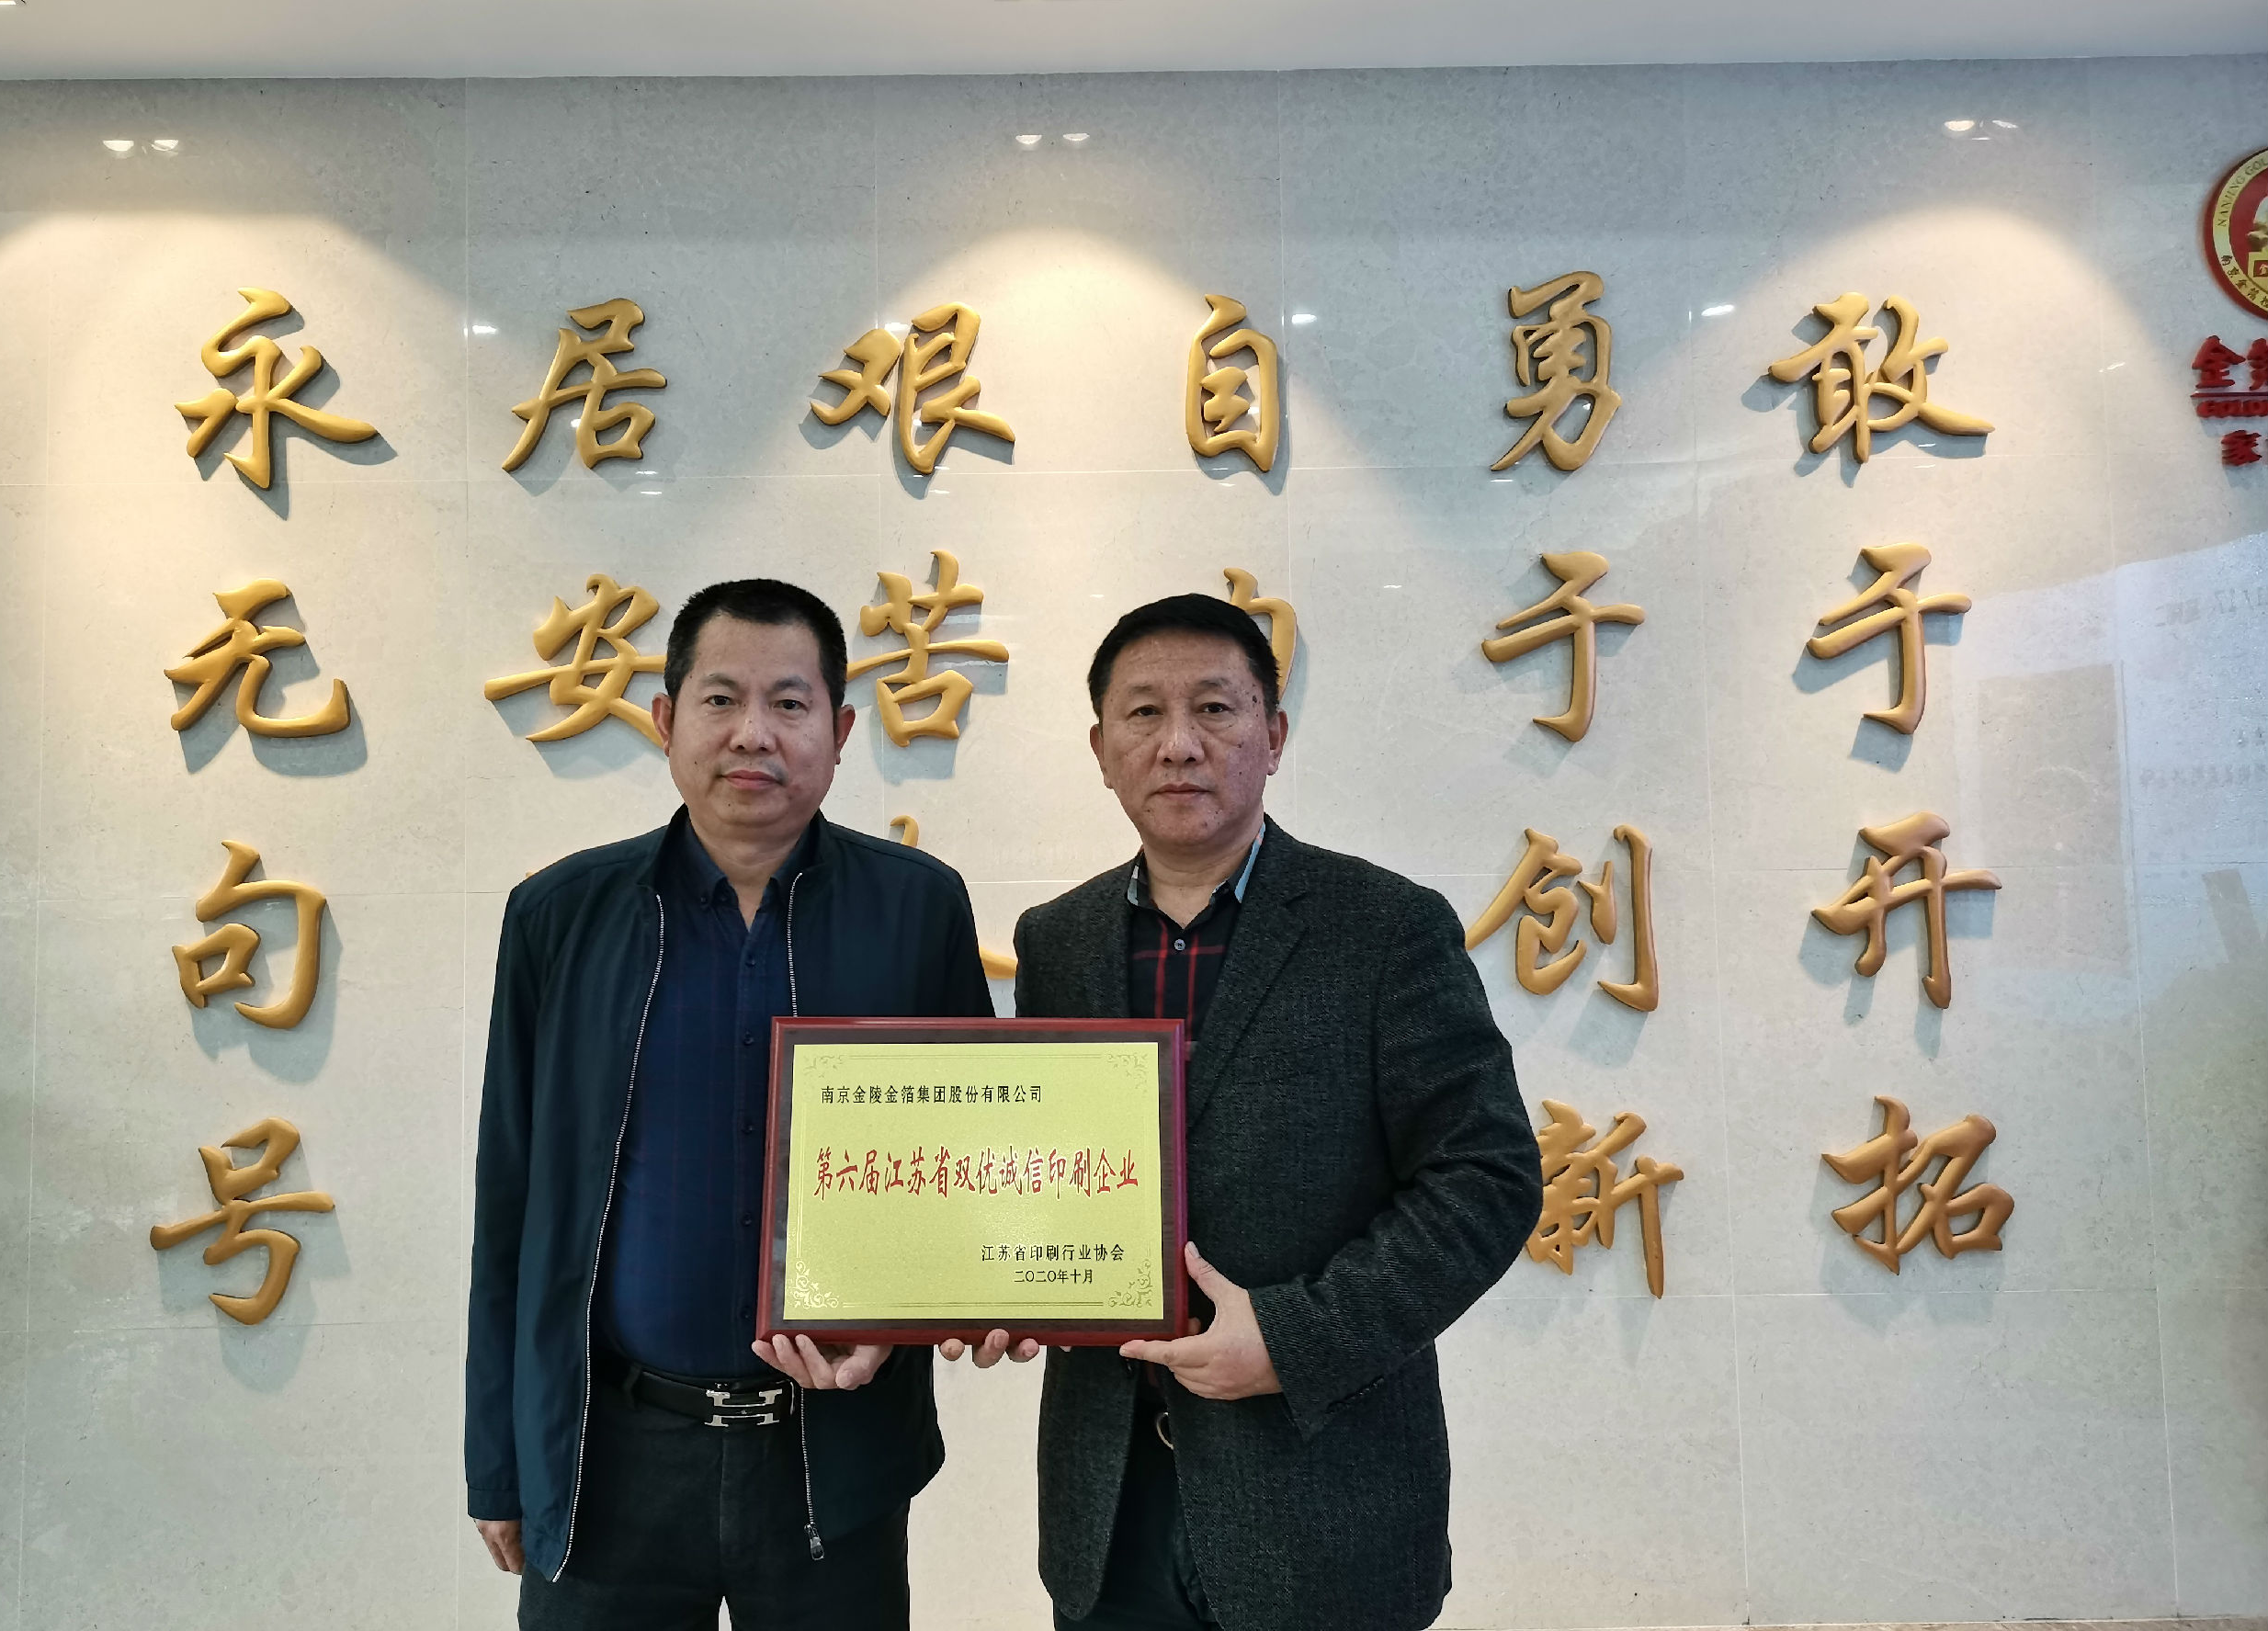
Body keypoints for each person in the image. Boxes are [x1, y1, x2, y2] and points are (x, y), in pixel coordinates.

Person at [1001, 593, 1540, 1631]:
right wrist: (986, 1278)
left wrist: (1294, 1338)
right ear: (1101, 749)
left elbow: (1487, 1177)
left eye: (1215, 708)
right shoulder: (1056, 940)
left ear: (1274, 735)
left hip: (1323, 1497)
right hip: (1106, 1506)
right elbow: (1044, 1167)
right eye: (1143, 713)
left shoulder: (1383, 926)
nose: (1178, 744)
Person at [466, 577, 995, 1630]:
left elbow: (965, 1163)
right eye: (719, 699)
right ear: (665, 719)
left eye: (790, 702)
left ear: (840, 732)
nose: (753, 731)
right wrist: (500, 1458)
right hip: (608, 1454)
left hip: (832, 1455)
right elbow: (510, 1202)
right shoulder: (558, 915)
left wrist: (911, 1314)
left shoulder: (917, 906)